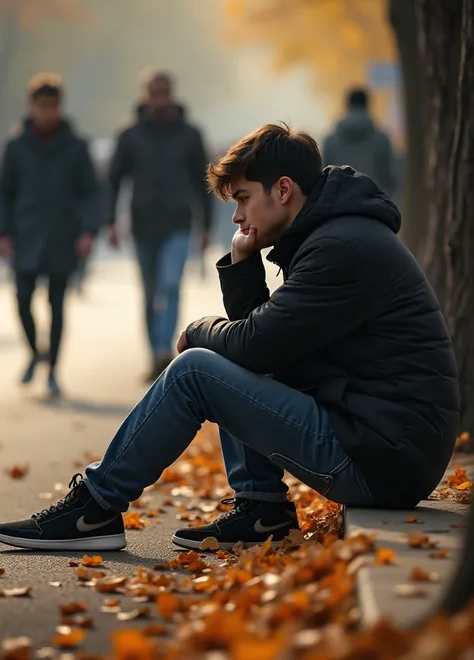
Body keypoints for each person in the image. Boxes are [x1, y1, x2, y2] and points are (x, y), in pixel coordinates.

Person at [0, 122, 459, 552]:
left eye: (242, 199)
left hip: (381, 461)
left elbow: (254, 343)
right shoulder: (335, 236)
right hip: (382, 447)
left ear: (283, 190)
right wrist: (242, 263)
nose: (237, 216)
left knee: (195, 371)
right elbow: (266, 345)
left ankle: (94, 511)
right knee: (225, 360)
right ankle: (262, 510)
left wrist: (197, 331)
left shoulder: (341, 249)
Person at [107, 71, 212, 383]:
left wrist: (206, 227)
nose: (159, 100)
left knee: (170, 286)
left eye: (164, 93)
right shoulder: (130, 135)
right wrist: (110, 222)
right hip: (142, 225)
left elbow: (203, 181)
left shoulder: (190, 135)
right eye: (154, 93)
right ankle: (155, 351)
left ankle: (163, 350)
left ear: (172, 95)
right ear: (145, 96)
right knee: (150, 292)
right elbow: (115, 179)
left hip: (179, 224)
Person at [0, 74, 100, 396]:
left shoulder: (75, 146)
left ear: (59, 107)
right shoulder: (15, 147)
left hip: (62, 236)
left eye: (52, 107)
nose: (47, 114)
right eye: (42, 107)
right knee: (22, 301)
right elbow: (4, 193)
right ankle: (34, 351)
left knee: (57, 306)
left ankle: (54, 370)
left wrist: (87, 230)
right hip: (25, 235)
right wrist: (3, 233)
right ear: (31, 107)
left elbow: (90, 192)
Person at [323, 87, 399, 198]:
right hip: (375, 206)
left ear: (347, 106)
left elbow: (324, 178)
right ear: (367, 106)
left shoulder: (330, 141)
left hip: (339, 205)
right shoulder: (382, 140)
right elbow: (390, 179)